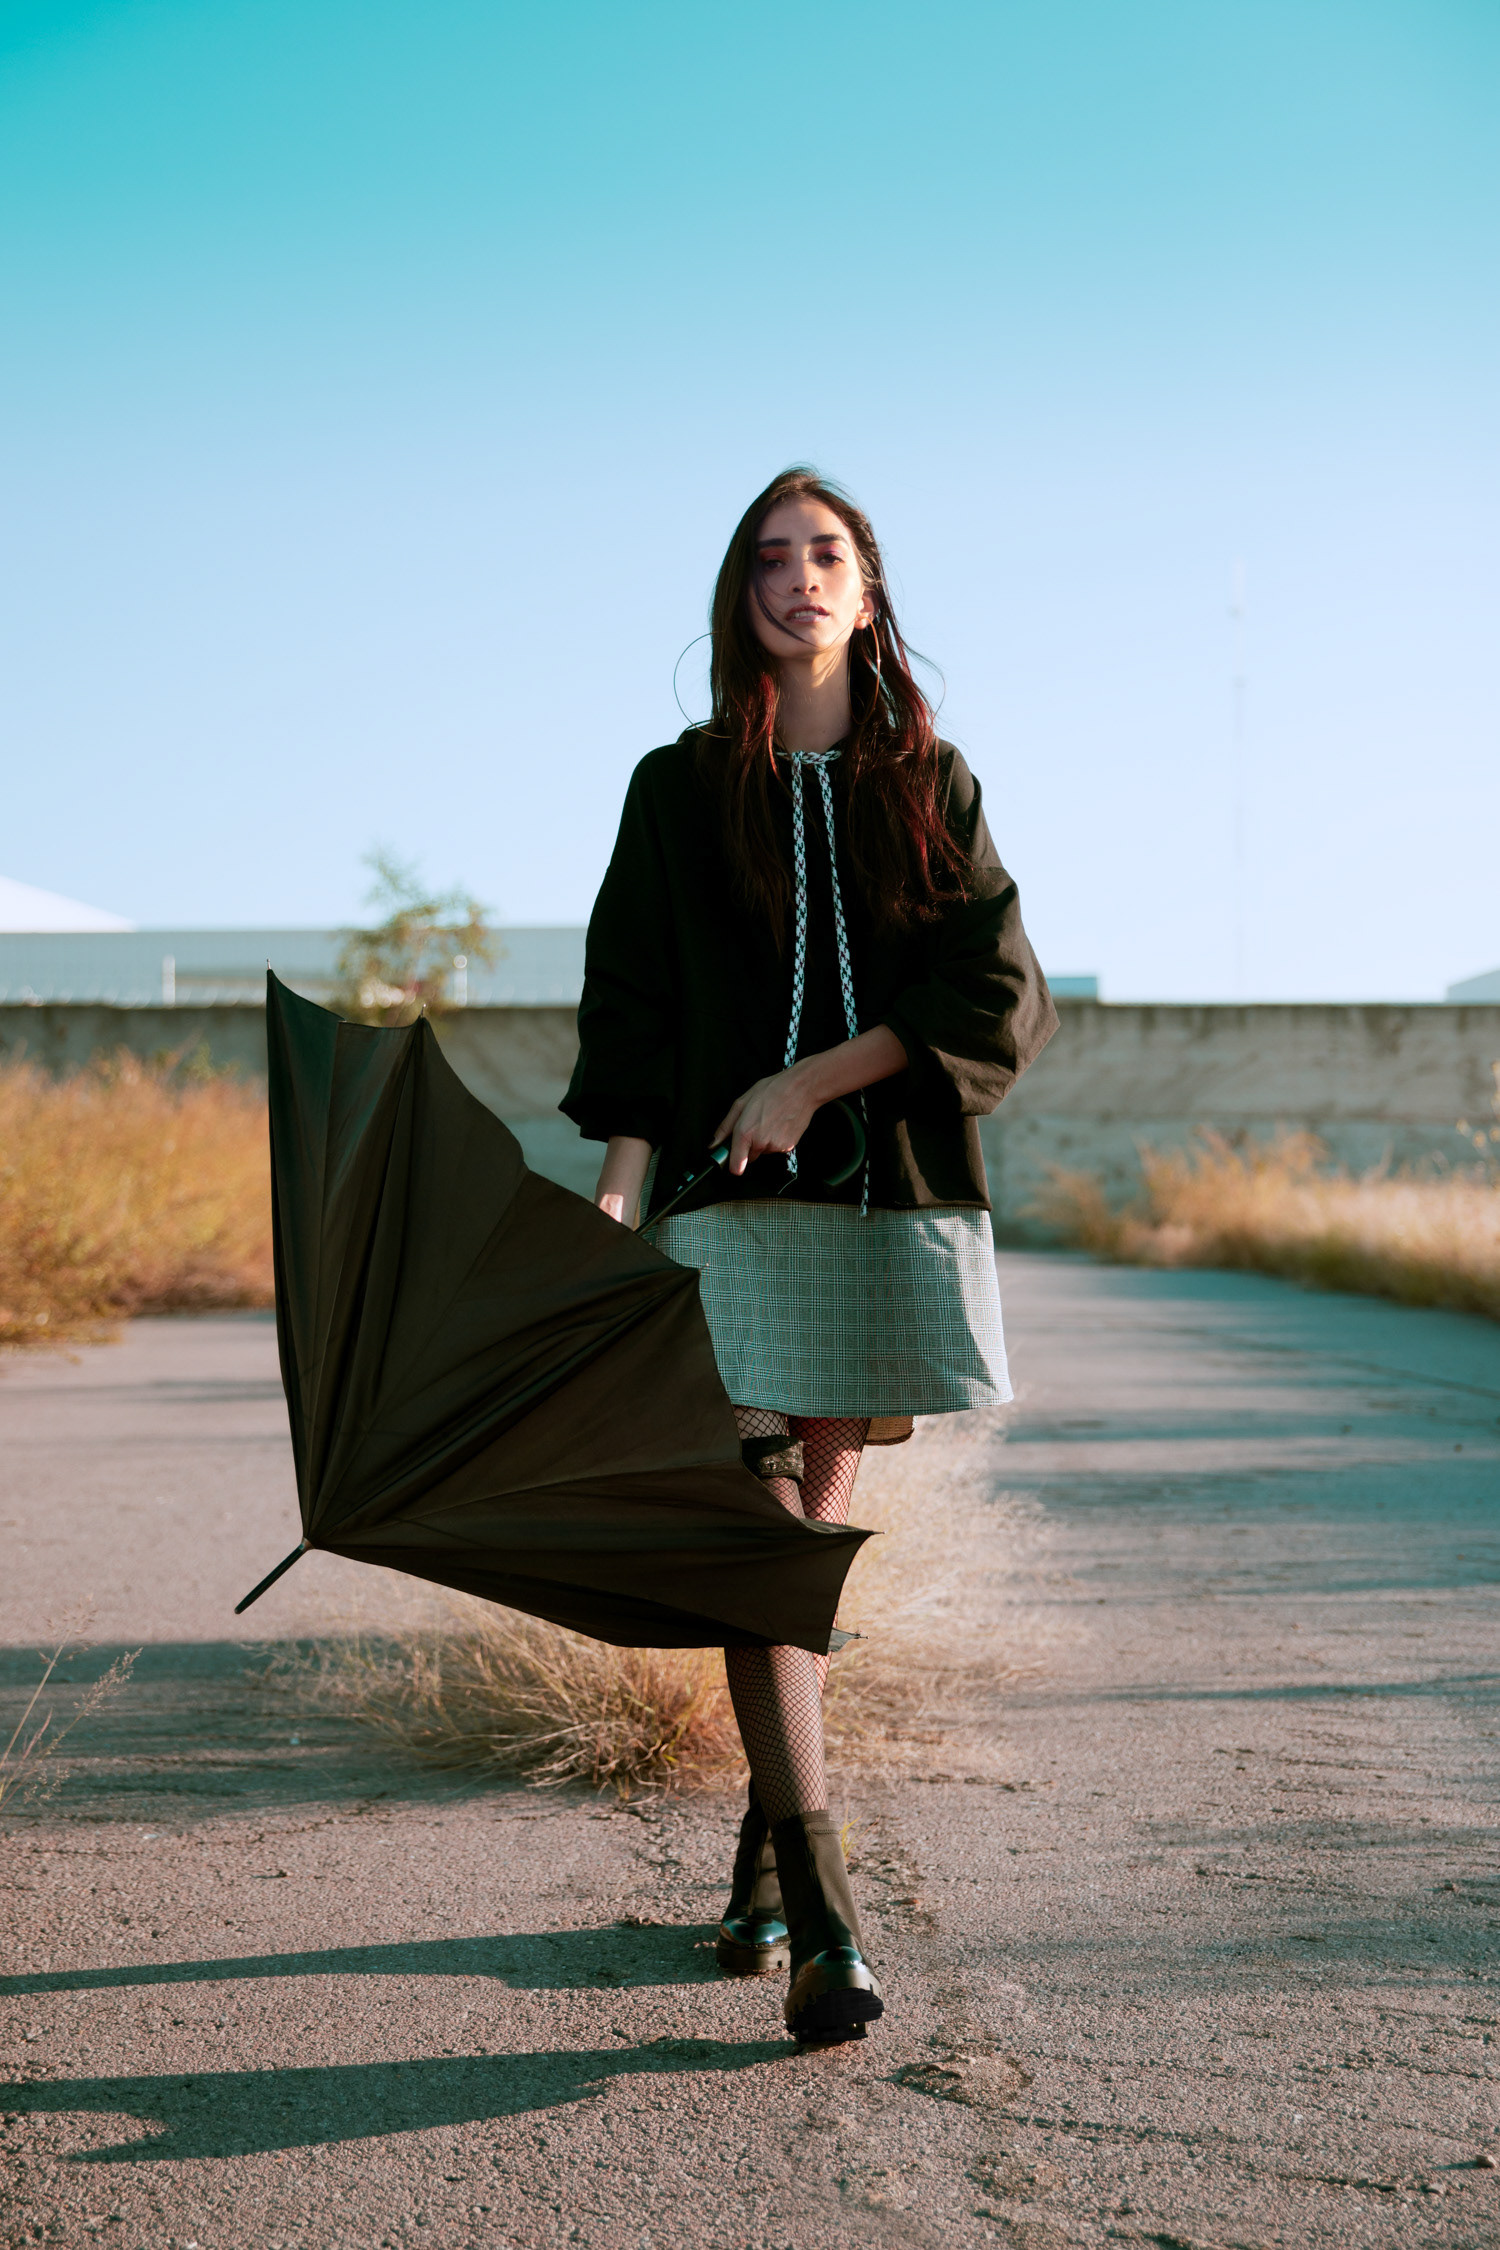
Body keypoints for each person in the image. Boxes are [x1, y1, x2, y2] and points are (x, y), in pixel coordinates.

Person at [562, 467, 1058, 2044]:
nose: (797, 576)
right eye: (768, 557)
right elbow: (633, 1006)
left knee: (794, 1563)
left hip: (875, 1212)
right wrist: (616, 1196)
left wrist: (813, 1081)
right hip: (724, 1219)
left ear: (867, 587)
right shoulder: (675, 787)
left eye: (825, 552)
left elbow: (998, 995)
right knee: (762, 1532)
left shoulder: (932, 781)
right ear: (742, 597)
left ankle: (764, 1860)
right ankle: (832, 1923)